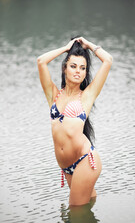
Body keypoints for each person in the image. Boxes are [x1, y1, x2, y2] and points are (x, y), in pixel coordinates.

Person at [37, 36, 113, 206]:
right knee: (86, 207)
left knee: (76, 211)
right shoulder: (53, 95)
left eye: (82, 68)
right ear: (65, 68)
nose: (78, 71)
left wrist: (89, 45)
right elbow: (41, 61)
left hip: (85, 160)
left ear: (86, 72)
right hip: (68, 167)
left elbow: (108, 60)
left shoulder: (86, 96)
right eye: (73, 66)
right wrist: (66, 48)